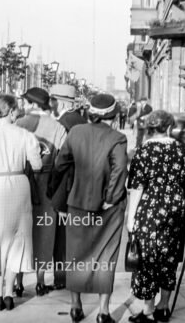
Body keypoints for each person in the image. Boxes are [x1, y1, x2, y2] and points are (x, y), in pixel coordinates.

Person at [51, 93, 128, 323]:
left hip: (77, 202)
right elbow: (120, 168)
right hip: (108, 208)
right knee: (107, 256)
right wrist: (111, 197)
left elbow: (60, 163)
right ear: (113, 116)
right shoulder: (118, 137)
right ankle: (103, 311)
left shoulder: (76, 132)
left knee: (76, 255)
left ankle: (75, 306)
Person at [127, 110, 185, 323]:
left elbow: (136, 188)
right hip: (174, 211)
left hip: (148, 212)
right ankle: (163, 307)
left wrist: (130, 219)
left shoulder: (143, 151)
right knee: (169, 260)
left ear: (150, 128)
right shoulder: (181, 150)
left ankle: (148, 311)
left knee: (147, 261)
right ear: (169, 128)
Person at [0, 94, 42, 311]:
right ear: (11, 112)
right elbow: (37, 164)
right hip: (19, 185)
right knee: (17, 239)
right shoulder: (25, 135)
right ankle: (10, 292)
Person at [16, 87, 67, 296]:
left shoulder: (19, 124)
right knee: (45, 231)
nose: (24, 106)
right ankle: (39, 281)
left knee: (21, 232)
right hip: (48, 184)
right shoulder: (58, 127)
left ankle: (18, 281)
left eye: (26, 102)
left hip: (23, 181)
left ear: (33, 104)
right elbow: (64, 160)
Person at [48, 84, 87, 291]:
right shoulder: (83, 121)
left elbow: (60, 164)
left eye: (53, 101)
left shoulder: (62, 124)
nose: (51, 105)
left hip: (66, 189)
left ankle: (62, 278)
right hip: (85, 188)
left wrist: (53, 191)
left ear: (62, 102)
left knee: (62, 238)